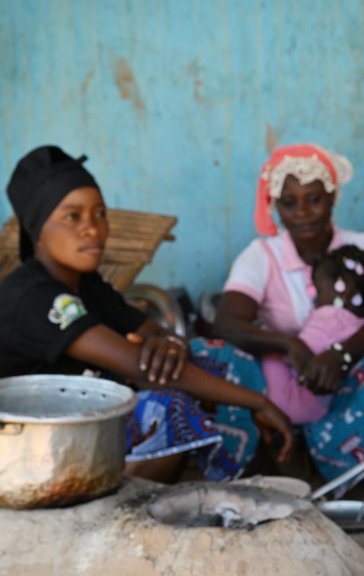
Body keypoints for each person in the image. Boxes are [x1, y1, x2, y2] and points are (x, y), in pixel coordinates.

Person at [1, 145, 295, 482]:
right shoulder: (32, 296)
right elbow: (143, 368)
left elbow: (155, 337)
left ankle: (247, 476)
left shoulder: (86, 284)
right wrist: (258, 402)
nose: (93, 229)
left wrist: (172, 345)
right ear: (37, 227)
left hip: (79, 423)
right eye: (72, 216)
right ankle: (123, 516)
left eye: (100, 214)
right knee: (165, 408)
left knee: (218, 359)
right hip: (27, 446)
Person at [208, 143, 364, 481]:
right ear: (276, 207)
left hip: (346, 384)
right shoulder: (261, 255)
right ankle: (261, 465)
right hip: (286, 387)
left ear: (333, 197)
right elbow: (227, 323)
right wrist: (290, 346)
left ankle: (362, 467)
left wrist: (339, 356)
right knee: (222, 359)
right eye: (289, 203)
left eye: (314, 199)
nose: (302, 212)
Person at [261, 244, 364, 425]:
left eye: (318, 290)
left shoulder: (330, 317)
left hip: (292, 403)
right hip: (320, 406)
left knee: (268, 351)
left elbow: (297, 353)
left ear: (344, 288)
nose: (315, 299)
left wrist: (267, 335)